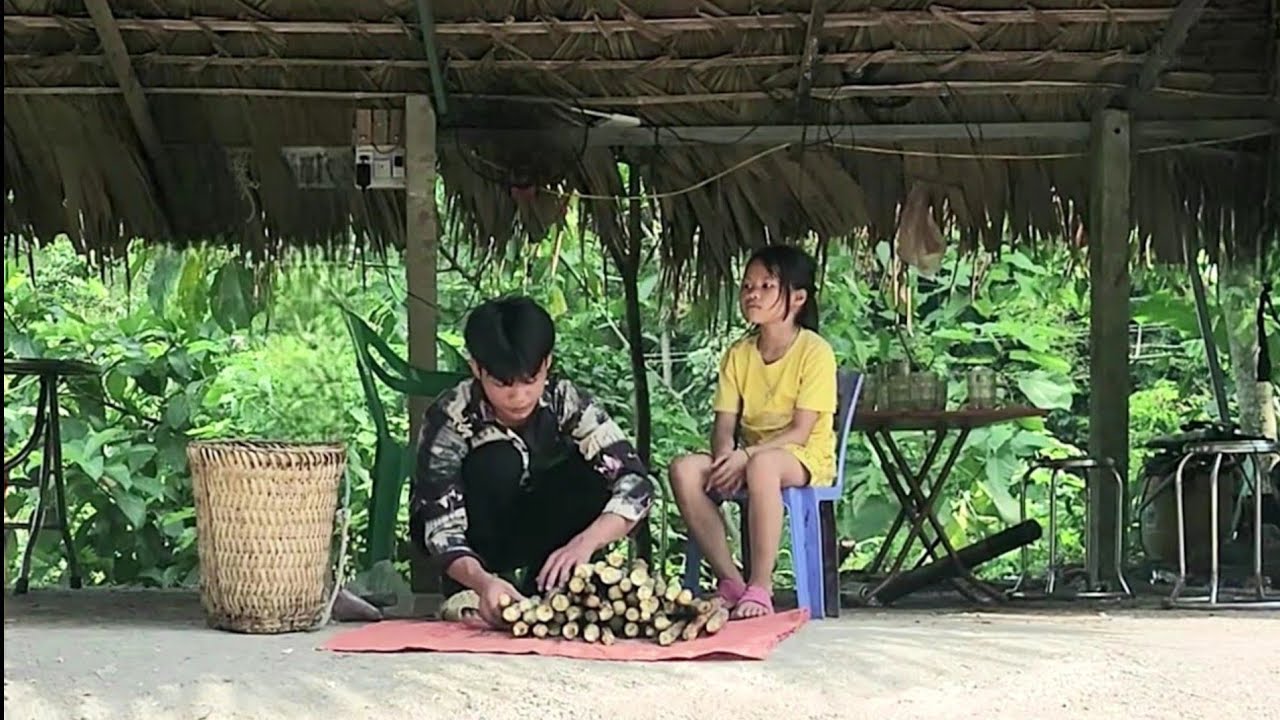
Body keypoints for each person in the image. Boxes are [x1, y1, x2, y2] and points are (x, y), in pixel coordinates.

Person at [409, 295, 654, 628]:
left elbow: (636, 483)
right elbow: (438, 528)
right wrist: (482, 582)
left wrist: (585, 543)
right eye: (502, 383)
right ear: (476, 369)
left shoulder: (566, 400)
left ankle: (548, 585)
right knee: (498, 460)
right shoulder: (449, 418)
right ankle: (473, 591)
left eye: (530, 380)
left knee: (594, 475)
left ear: (547, 364)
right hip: (478, 544)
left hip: (544, 534)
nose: (519, 396)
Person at [669, 245, 838, 619]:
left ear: (797, 298)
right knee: (684, 469)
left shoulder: (815, 352)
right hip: (750, 455)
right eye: (747, 285)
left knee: (763, 467)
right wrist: (724, 457)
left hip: (804, 456)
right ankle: (731, 581)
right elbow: (724, 426)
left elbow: (801, 430)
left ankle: (761, 586)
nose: (752, 294)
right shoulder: (738, 354)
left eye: (766, 285)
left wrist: (746, 457)